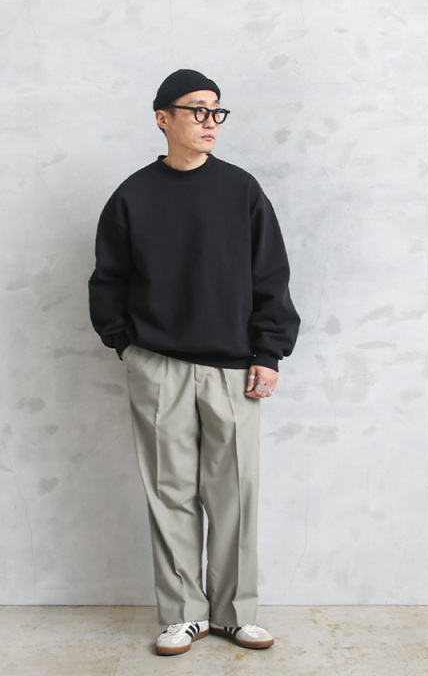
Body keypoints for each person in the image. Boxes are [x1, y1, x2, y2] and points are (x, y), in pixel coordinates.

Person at [88, 69, 300, 656]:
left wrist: (269, 352)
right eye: (197, 110)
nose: (210, 121)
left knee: (234, 494)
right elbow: (108, 279)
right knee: (170, 492)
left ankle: (235, 613)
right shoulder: (133, 195)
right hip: (158, 365)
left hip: (234, 368)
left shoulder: (241, 190)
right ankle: (184, 614)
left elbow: (271, 276)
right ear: (163, 118)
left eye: (217, 111)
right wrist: (125, 345)